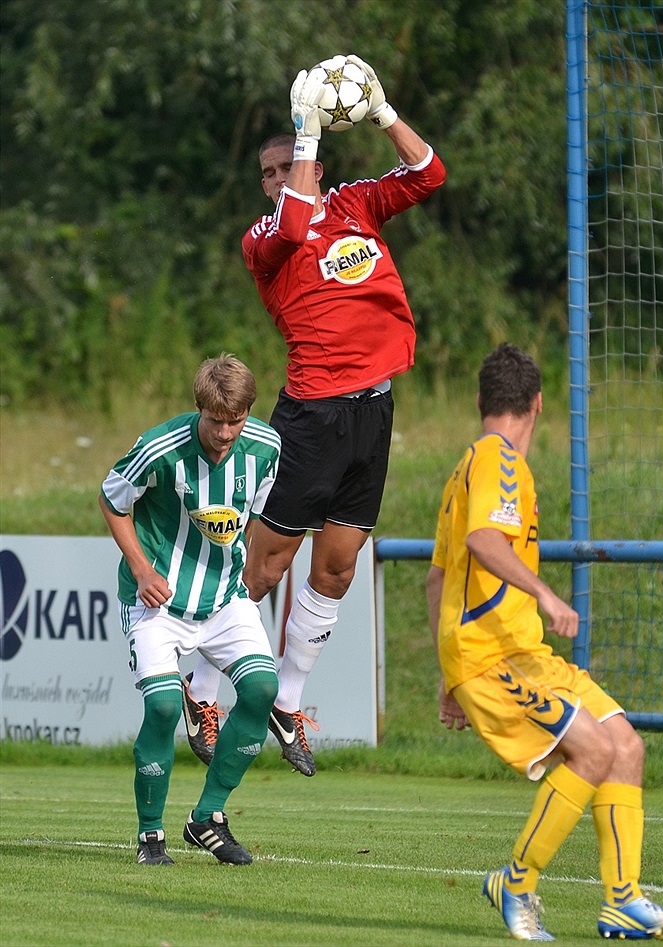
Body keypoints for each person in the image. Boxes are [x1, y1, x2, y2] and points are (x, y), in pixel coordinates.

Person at [184, 53, 446, 776]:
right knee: (266, 566)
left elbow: (429, 174)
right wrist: (305, 132)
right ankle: (202, 690)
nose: (277, 180)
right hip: (312, 413)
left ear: (320, 167)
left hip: (374, 408)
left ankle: (286, 699)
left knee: (336, 568)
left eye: (287, 166)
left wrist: (383, 112)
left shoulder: (356, 203)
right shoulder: (265, 239)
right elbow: (295, 227)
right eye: (267, 173)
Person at [427, 343, 663, 941]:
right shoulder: (499, 462)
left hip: (518, 654)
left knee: (625, 746)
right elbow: (481, 542)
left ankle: (623, 901)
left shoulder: (469, 464)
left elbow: (436, 577)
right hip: (493, 656)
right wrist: (547, 595)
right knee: (593, 752)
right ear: (539, 403)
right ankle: (515, 882)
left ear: (479, 401)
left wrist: (445, 677)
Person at [99, 354, 281, 865]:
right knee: (160, 707)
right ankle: (150, 835)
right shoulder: (160, 446)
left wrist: (259, 570)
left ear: (248, 413)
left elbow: (261, 517)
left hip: (224, 598)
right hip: (157, 600)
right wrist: (140, 568)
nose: (225, 432)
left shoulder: (267, 446)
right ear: (199, 407)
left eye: (236, 420)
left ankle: (207, 817)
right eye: (216, 420)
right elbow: (112, 500)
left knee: (263, 688)